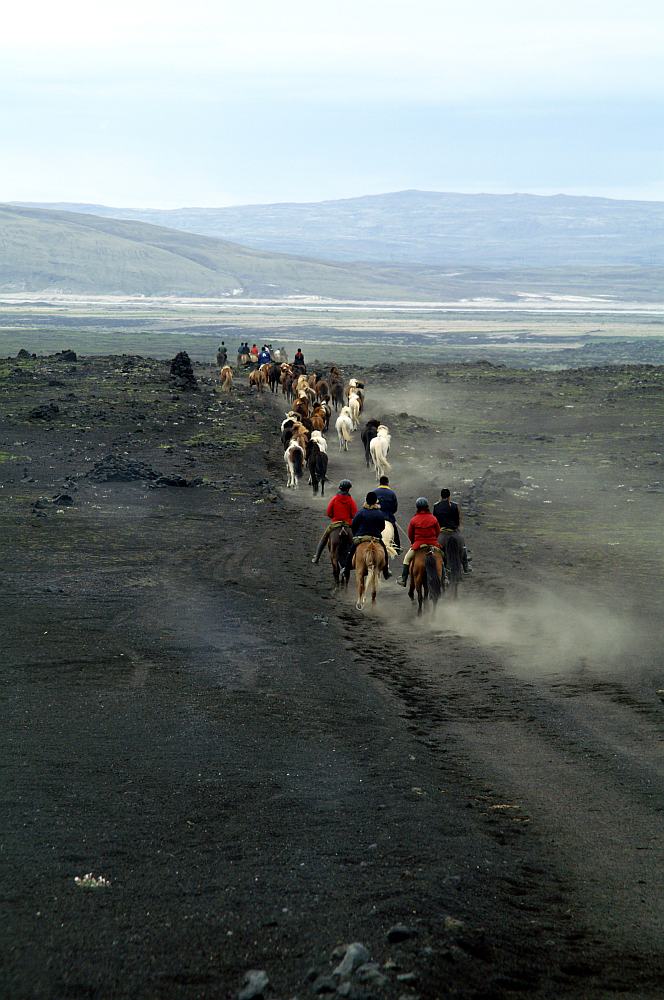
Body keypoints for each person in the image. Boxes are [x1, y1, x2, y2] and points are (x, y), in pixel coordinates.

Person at [340, 491, 391, 581]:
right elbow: (382, 527)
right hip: (375, 538)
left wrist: (356, 534)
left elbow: (354, 525)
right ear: (376, 501)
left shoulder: (361, 512)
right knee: (385, 552)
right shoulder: (379, 513)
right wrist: (377, 532)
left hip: (361, 538)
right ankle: (386, 571)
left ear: (366, 501)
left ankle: (346, 569)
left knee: (351, 552)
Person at [397, 497, 442, 586]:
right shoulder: (433, 518)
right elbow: (438, 532)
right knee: (442, 559)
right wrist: (434, 541)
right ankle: (444, 578)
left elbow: (410, 534)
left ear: (417, 507)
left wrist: (413, 543)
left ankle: (403, 579)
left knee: (406, 559)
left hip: (418, 545)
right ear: (427, 506)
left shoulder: (414, 520)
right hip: (433, 544)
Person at [311, 480, 357, 564]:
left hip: (335, 524)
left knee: (324, 539)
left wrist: (334, 517)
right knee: (355, 543)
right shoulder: (351, 500)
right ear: (348, 489)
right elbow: (354, 514)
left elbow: (329, 512)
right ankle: (357, 559)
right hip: (347, 525)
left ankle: (317, 557)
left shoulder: (334, 499)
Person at [433, 488, 471, 572]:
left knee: (434, 549)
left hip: (442, 532)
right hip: (453, 531)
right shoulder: (454, 505)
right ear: (449, 496)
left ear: (441, 496)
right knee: (463, 545)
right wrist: (457, 527)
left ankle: (438, 567)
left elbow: (435, 521)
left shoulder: (436, 506)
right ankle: (466, 566)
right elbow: (457, 520)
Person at [375, 475, 400, 551]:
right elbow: (395, 508)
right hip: (388, 517)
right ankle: (397, 547)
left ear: (380, 483)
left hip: (376, 518)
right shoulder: (392, 493)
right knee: (395, 532)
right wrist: (390, 513)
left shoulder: (374, 492)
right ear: (387, 483)